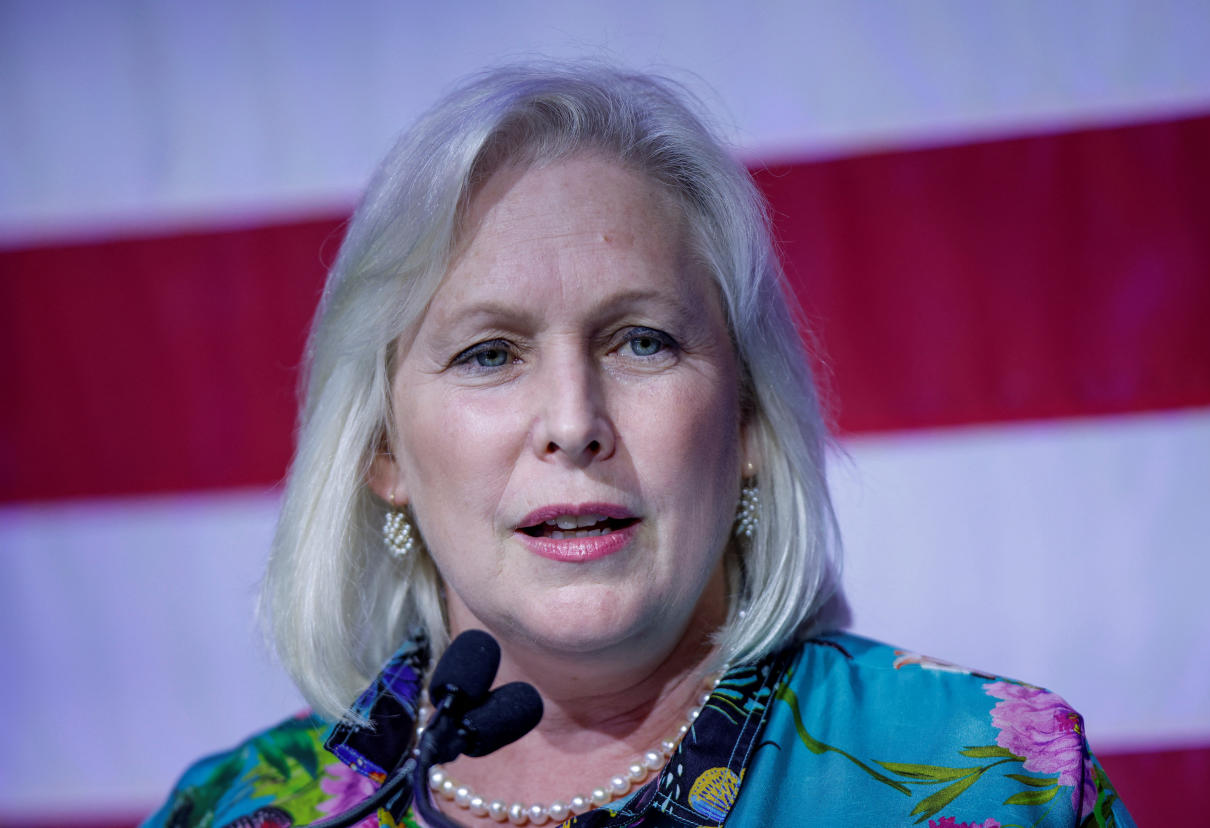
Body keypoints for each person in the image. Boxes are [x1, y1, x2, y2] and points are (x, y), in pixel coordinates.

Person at [144, 63, 1133, 828]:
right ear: (384, 454)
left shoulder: (1002, 783)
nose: (574, 422)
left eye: (642, 342)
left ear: (748, 421)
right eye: (490, 354)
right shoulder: (234, 809)